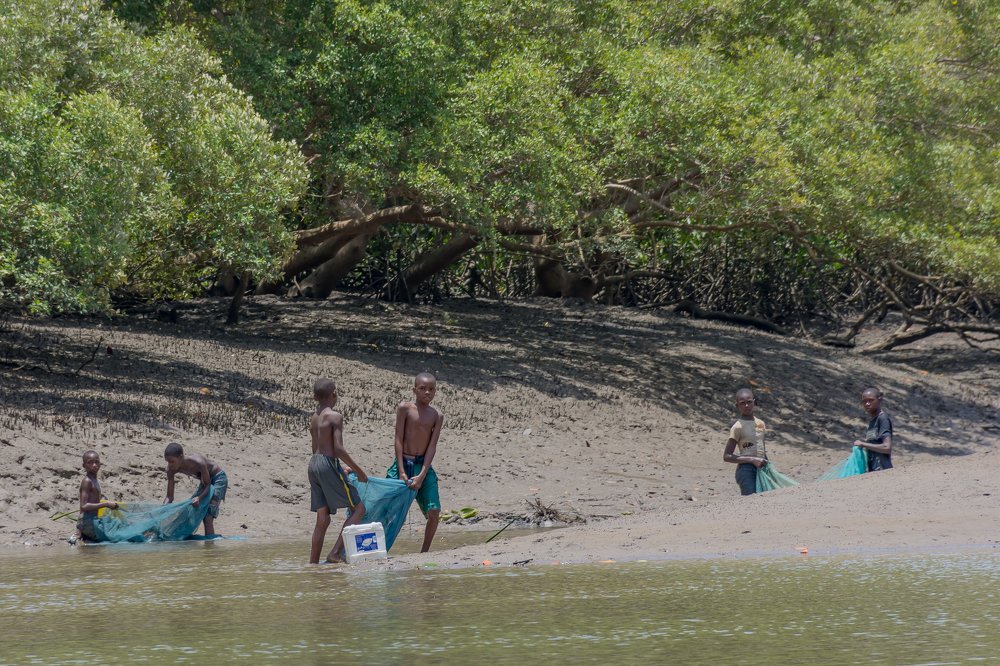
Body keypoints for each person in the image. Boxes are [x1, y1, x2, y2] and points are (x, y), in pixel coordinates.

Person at [308, 378, 369, 564]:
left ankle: (313, 563)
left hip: (313, 465)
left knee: (323, 518)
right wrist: (360, 471)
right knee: (358, 509)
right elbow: (339, 449)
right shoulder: (335, 416)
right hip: (327, 464)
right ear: (334, 393)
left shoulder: (314, 417)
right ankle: (335, 552)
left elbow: (315, 448)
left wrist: (337, 466)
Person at [388, 372, 444, 552]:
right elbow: (398, 438)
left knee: (434, 511)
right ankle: (380, 548)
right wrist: (402, 471)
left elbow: (432, 446)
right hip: (403, 462)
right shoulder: (405, 408)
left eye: (431, 389)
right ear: (414, 390)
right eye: (422, 389)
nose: (427, 392)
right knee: (389, 509)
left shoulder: (437, 415)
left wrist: (422, 474)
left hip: (423, 465)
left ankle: (424, 552)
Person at [163, 442, 228, 536]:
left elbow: (208, 485)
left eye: (172, 461)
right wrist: (163, 509)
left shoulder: (198, 463)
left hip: (218, 479)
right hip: (205, 481)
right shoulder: (171, 470)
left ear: (181, 457)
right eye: (168, 461)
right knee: (190, 509)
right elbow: (169, 496)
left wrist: (199, 498)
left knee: (208, 516)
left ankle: (209, 548)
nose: (170, 464)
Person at [723, 388, 768, 496]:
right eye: (742, 403)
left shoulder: (760, 423)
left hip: (761, 468)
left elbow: (762, 448)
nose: (746, 406)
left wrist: (767, 465)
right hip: (746, 471)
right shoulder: (737, 427)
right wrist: (752, 460)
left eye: (749, 402)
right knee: (750, 502)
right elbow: (727, 456)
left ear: (754, 402)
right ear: (737, 406)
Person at [76, 450, 118, 543]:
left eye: (96, 462)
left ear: (100, 464)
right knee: (115, 537)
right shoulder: (87, 481)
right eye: (90, 463)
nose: (94, 465)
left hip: (93, 519)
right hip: (88, 521)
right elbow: (84, 506)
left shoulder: (94, 480)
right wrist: (106, 504)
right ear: (84, 466)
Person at [853, 387, 893, 471]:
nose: (867, 404)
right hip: (874, 471)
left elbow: (887, 447)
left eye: (871, 400)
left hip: (883, 470)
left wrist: (863, 444)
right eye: (864, 401)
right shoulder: (873, 421)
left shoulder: (882, 418)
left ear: (879, 400)